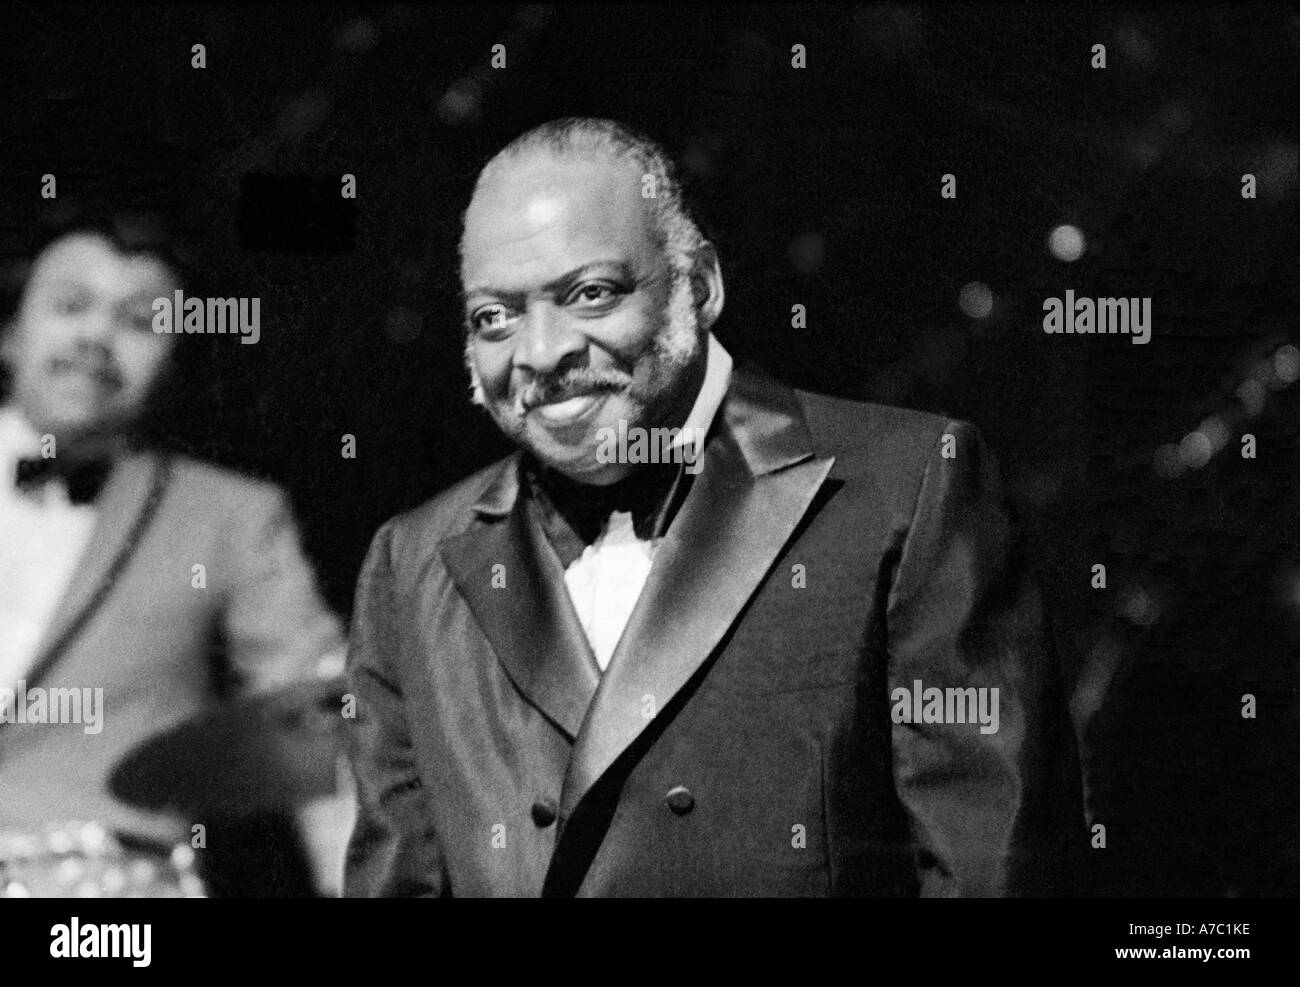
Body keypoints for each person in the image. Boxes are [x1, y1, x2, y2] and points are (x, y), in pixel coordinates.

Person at [344, 118, 1085, 897]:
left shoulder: (907, 491)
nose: (538, 352)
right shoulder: (409, 563)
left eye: (589, 294)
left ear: (698, 285)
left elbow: (995, 872)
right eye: (493, 316)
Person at [0, 208, 347, 896]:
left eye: (139, 321)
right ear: (10, 331)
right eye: (72, 305)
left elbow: (318, 732)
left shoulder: (231, 514)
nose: (98, 335)